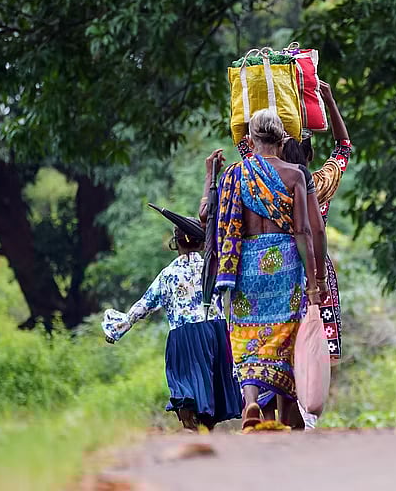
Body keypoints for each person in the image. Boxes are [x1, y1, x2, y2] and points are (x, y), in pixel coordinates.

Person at [213, 108, 324, 429]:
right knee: (284, 337)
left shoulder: (234, 175)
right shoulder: (295, 175)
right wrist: (314, 282)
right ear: (283, 139)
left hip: (244, 264)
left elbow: (219, 224)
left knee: (245, 335)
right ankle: (286, 409)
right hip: (284, 265)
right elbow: (304, 231)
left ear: (249, 140)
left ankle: (251, 403)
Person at [101, 217, 242, 432]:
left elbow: (143, 306)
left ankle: (192, 428)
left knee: (184, 389)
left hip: (184, 336)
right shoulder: (213, 267)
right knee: (211, 389)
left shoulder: (168, 275)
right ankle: (206, 432)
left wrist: (118, 329)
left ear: (176, 243)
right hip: (215, 332)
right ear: (202, 242)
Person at [279, 80, 352, 362]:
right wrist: (329, 101)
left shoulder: (270, 182)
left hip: (278, 263)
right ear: (309, 155)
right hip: (317, 267)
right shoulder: (322, 182)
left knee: (279, 341)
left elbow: (246, 145)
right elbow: (343, 147)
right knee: (316, 344)